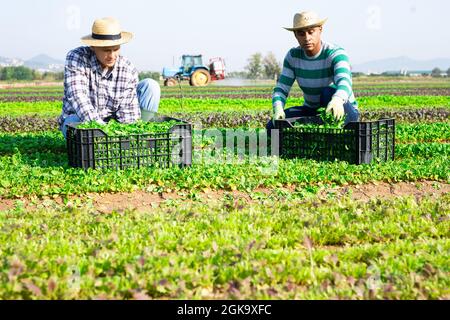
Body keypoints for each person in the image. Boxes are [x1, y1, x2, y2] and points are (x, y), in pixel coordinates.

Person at [59, 17, 160, 138]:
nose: (112, 56)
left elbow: (128, 113)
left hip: (112, 122)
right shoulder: (77, 58)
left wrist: (127, 134)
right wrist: (101, 129)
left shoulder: (127, 68)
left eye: (116, 49)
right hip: (79, 117)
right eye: (106, 50)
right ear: (93, 46)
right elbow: (78, 97)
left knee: (151, 86)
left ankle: (141, 137)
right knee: (76, 124)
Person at [267, 11, 360, 130]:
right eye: (301, 34)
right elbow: (281, 88)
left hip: (341, 107)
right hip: (311, 110)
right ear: (295, 35)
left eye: (311, 32)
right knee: (273, 127)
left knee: (327, 92)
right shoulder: (293, 56)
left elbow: (344, 81)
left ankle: (337, 126)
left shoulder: (336, 53)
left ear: (320, 30)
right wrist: (278, 107)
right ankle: (317, 127)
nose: (307, 38)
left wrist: (337, 100)